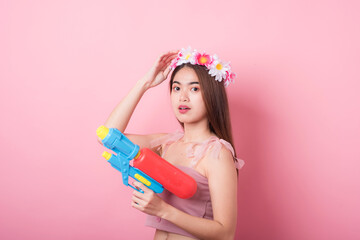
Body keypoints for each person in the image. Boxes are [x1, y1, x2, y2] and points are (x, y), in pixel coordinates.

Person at [98, 47, 244, 240]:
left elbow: (225, 234)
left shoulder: (217, 153)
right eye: (176, 88)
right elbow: (107, 137)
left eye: (194, 88)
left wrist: (163, 210)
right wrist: (145, 83)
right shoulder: (166, 144)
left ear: (211, 96)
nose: (182, 97)